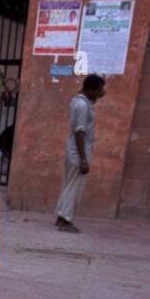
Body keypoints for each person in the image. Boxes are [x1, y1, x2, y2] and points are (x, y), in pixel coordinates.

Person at [54, 74, 106, 233]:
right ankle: (65, 219)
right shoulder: (82, 106)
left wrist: (96, 96)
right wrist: (83, 159)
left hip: (75, 151)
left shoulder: (81, 102)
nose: (100, 93)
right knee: (74, 187)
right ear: (91, 89)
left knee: (69, 184)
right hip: (78, 153)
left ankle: (61, 215)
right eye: (99, 90)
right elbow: (79, 132)